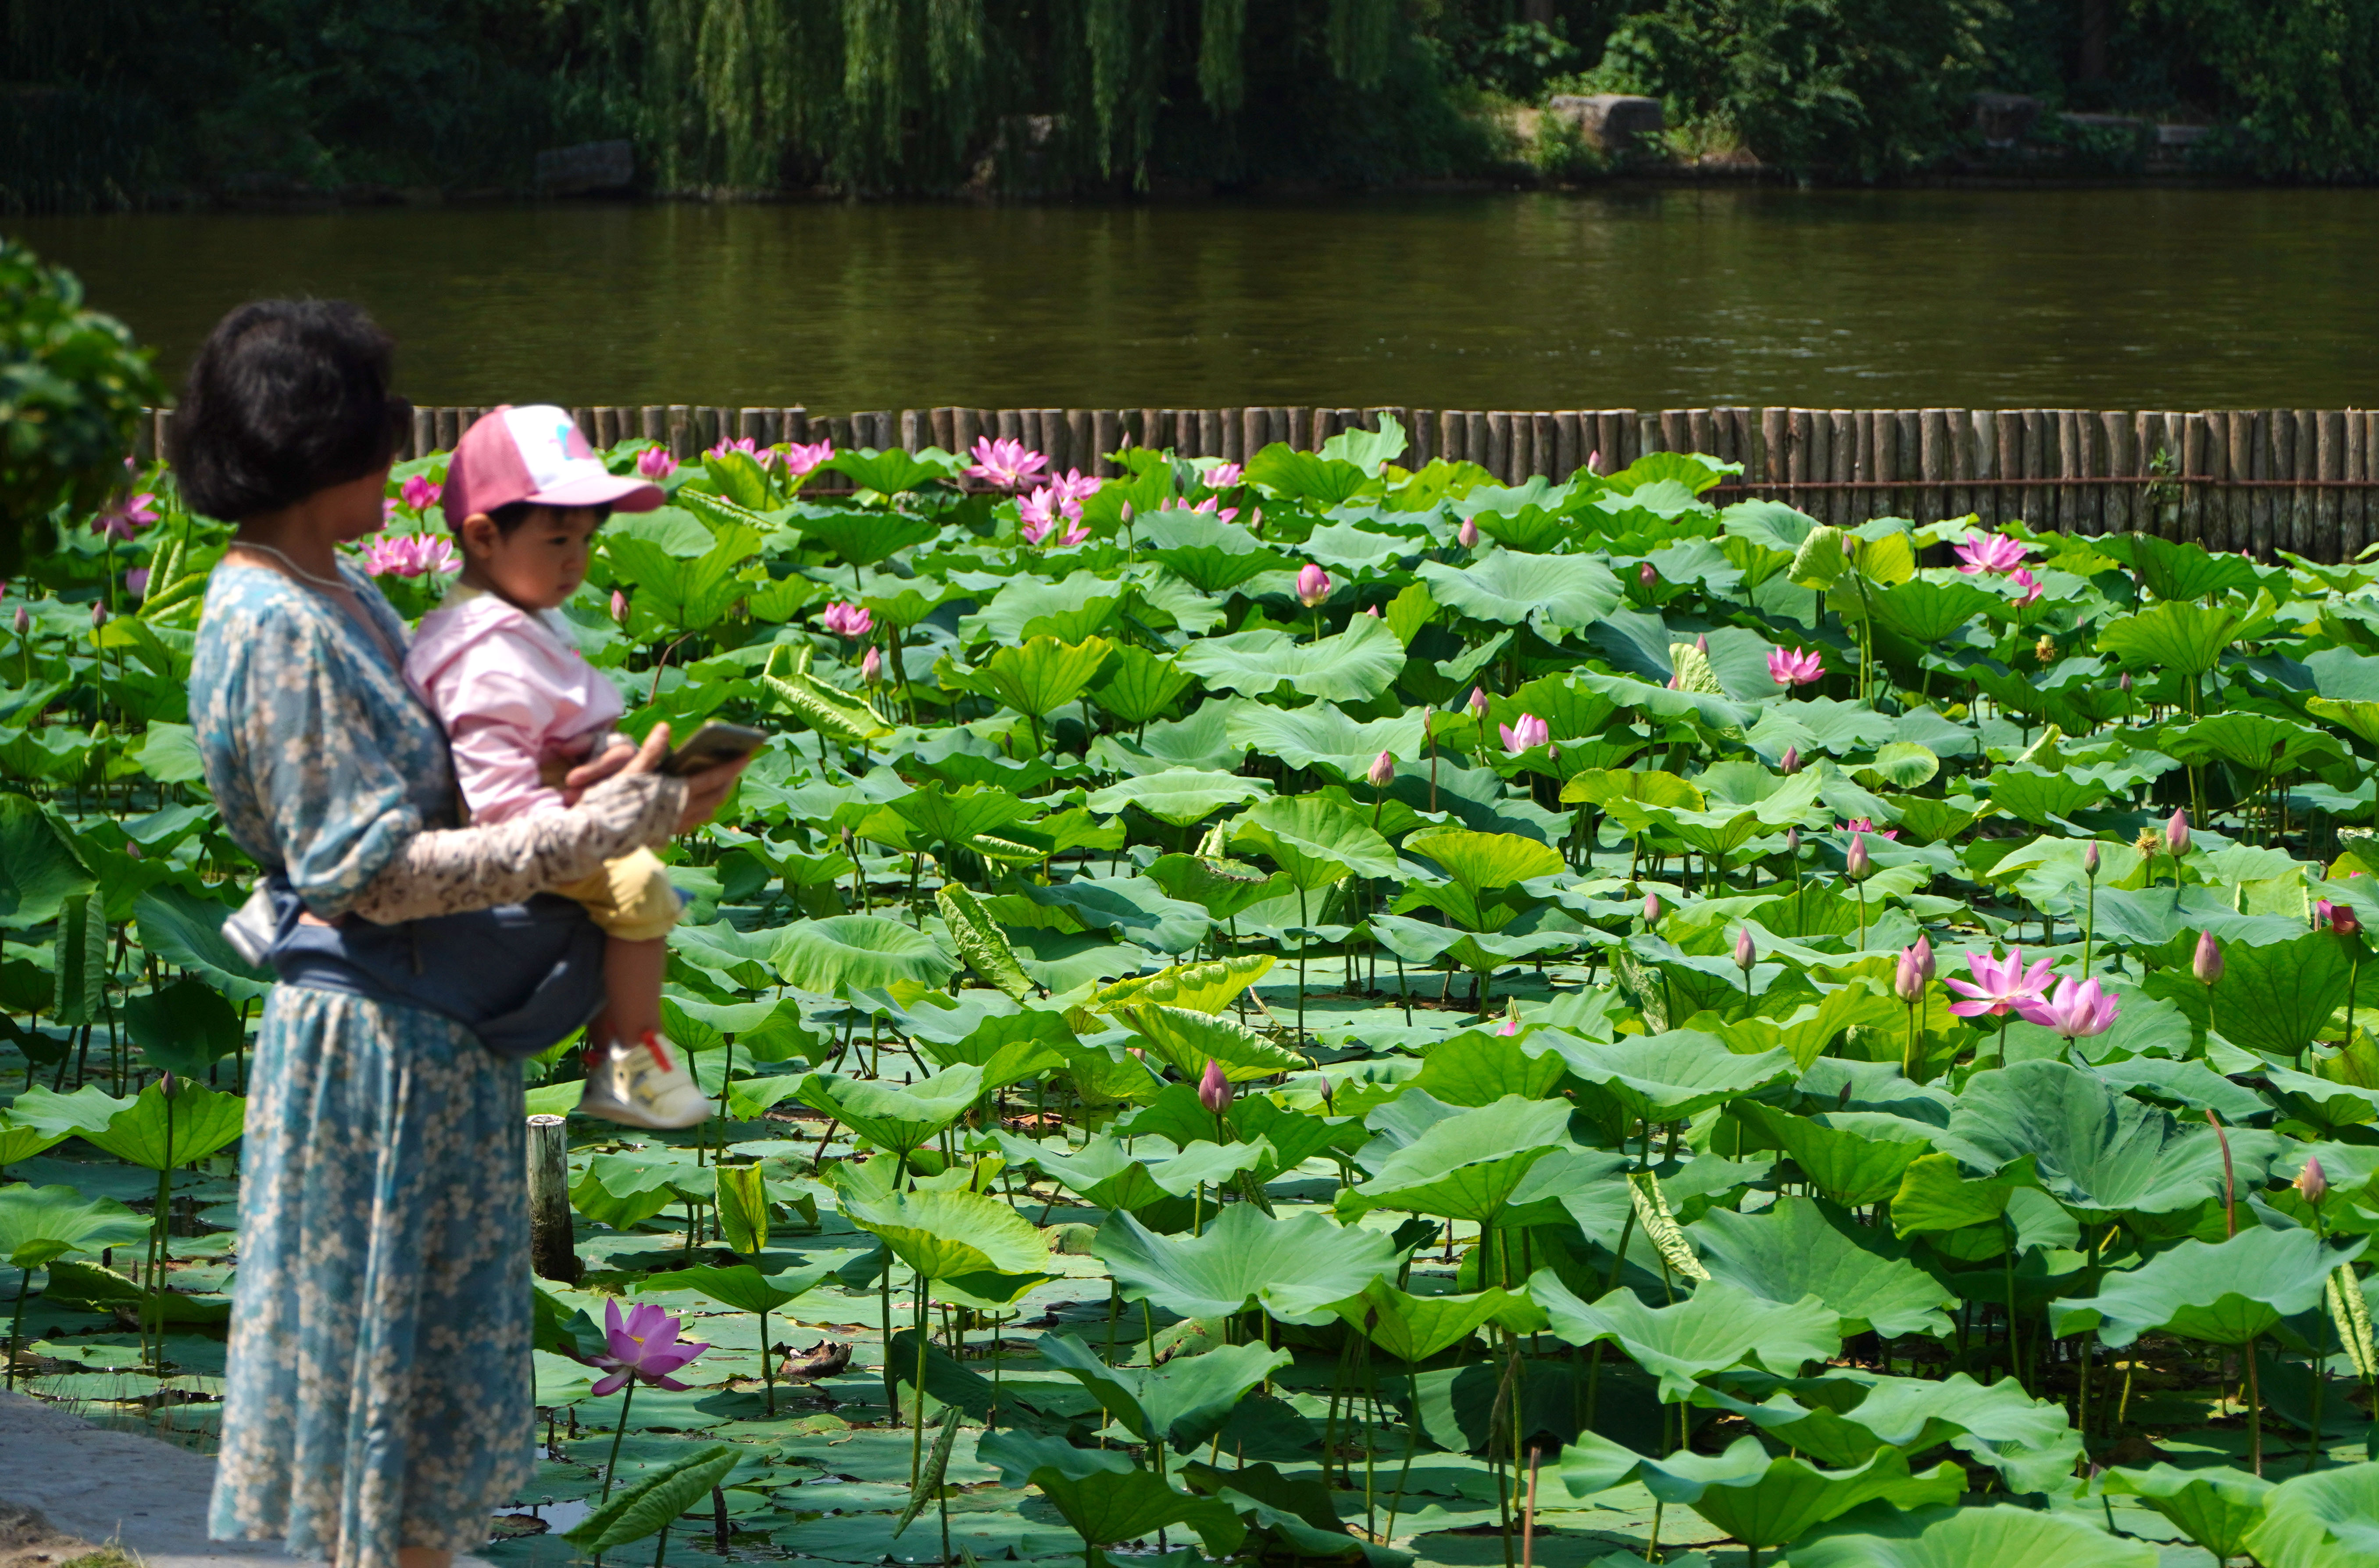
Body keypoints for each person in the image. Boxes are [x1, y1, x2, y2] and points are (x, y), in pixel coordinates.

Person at [178, 300, 747, 1568]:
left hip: (435, 1042)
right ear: (312, 447)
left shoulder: (344, 597)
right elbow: (365, 875)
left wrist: (603, 796)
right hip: (371, 1051)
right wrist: (604, 830)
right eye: (382, 435)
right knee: (379, 1407)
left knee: (430, 1416)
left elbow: (470, 796)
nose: (403, 463)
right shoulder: (274, 625)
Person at [404, 405, 709, 1129]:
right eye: (557, 539)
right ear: (483, 537)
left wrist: (607, 764)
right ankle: (630, 1064)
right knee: (640, 885)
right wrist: (595, 821)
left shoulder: (522, 620)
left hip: (545, 817)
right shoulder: (482, 658)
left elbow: (562, 736)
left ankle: (616, 1053)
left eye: (586, 540)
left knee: (640, 845)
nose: (577, 561)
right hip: (484, 852)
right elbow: (497, 808)